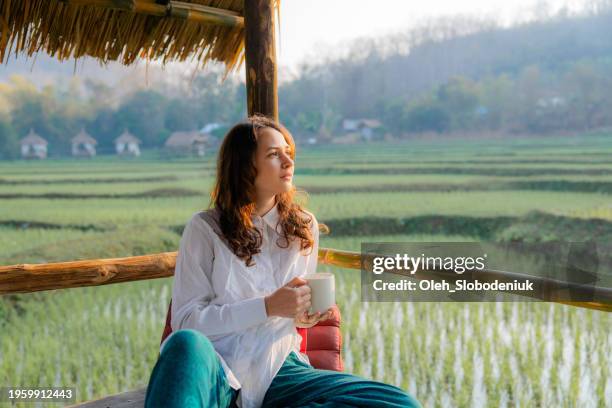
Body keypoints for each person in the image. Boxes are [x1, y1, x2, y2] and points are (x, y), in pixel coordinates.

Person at [144, 115, 421, 408]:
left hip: (280, 370)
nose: (288, 162)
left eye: (288, 152)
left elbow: (292, 314)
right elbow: (187, 321)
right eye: (274, 155)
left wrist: (302, 315)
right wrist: (266, 307)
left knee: (399, 403)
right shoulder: (205, 228)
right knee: (184, 344)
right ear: (244, 166)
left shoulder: (303, 227)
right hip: (216, 369)